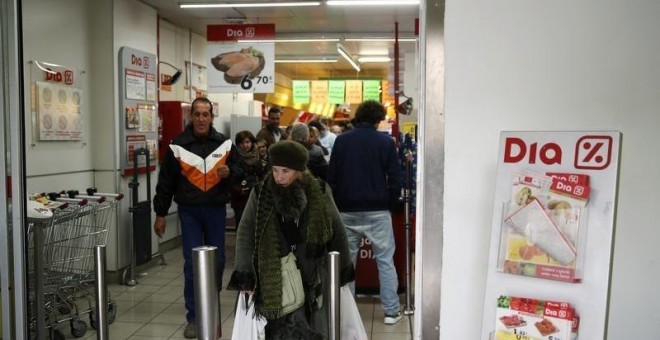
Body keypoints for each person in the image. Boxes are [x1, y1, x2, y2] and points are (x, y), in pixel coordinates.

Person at [228, 140, 355, 339]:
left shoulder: (319, 190)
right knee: (278, 329)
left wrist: (342, 270)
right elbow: (245, 232)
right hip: (275, 276)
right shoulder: (261, 193)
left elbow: (337, 229)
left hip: (312, 271)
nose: (279, 177)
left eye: (285, 171)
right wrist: (245, 274)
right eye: (275, 170)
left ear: (300, 170)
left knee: (313, 326)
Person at [152, 97, 235, 339]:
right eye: (197, 114)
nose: (201, 119)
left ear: (211, 117)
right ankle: (194, 317)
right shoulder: (177, 145)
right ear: (191, 117)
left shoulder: (225, 145)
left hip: (215, 212)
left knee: (218, 262)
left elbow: (241, 171)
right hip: (189, 213)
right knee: (192, 265)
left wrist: (231, 173)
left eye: (205, 114)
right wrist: (160, 214)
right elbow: (165, 183)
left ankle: (211, 307)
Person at [327, 100, 405, 325]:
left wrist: (337, 204)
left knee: (347, 263)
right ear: (377, 119)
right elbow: (396, 177)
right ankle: (391, 311)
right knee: (385, 261)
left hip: (347, 211)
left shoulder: (342, 141)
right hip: (378, 210)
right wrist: (389, 203)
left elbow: (331, 176)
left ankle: (348, 313)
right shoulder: (385, 142)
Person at [230, 130, 268, 231]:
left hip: (254, 196)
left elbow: (261, 177)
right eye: (242, 143)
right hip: (240, 199)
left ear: (252, 143)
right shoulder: (234, 158)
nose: (245, 145)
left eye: (247, 142)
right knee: (242, 226)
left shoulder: (256, 157)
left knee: (255, 227)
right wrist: (239, 190)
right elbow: (230, 180)